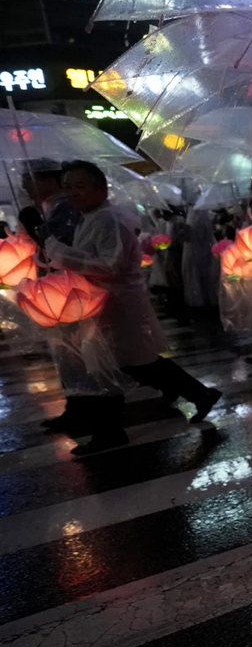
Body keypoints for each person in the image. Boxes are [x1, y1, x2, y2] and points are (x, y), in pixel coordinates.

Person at [44, 162, 221, 455]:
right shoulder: (91, 217)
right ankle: (200, 395)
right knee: (135, 363)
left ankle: (110, 432)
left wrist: (61, 253)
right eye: (68, 186)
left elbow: (110, 264)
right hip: (104, 304)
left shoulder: (108, 219)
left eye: (80, 185)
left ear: (100, 188)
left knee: (111, 366)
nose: (72, 192)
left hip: (117, 305)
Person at [19, 160, 80, 247]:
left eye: (30, 178)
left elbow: (53, 239)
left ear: (51, 182)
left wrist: (28, 213)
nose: (24, 185)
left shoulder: (66, 207)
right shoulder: (51, 206)